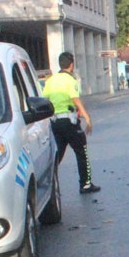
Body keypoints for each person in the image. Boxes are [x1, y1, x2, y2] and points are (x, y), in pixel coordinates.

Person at [43, 52, 101, 194]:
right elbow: (75, 99)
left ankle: (48, 182)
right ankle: (85, 184)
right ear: (71, 64)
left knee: (58, 153)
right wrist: (87, 117)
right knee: (81, 151)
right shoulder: (71, 81)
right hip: (70, 122)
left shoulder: (50, 81)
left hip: (55, 122)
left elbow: (45, 100)